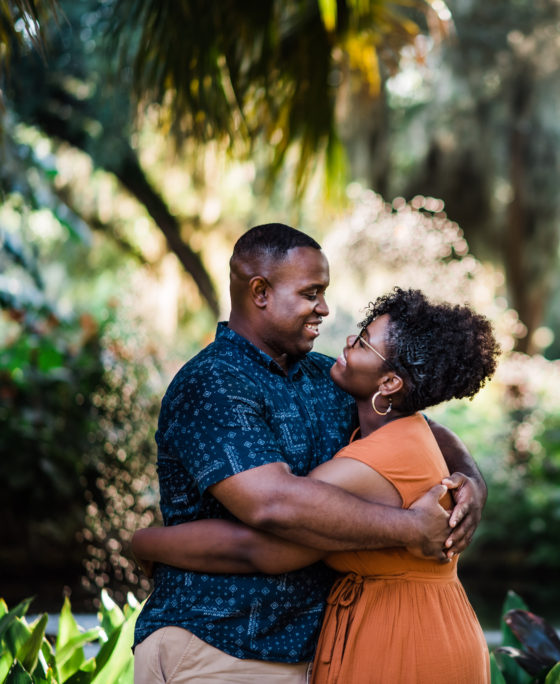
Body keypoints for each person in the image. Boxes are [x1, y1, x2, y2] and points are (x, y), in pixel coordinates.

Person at [132, 225, 486, 683]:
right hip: (222, 647)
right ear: (260, 292)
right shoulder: (215, 382)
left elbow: (420, 426)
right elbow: (272, 505)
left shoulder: (327, 377)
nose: (324, 308)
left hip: (315, 652)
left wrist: (470, 479)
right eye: (310, 293)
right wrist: (410, 526)